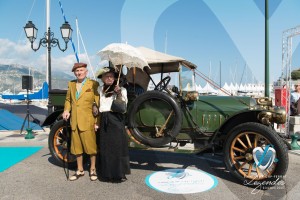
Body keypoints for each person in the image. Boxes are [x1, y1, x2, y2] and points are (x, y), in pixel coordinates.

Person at [62, 62, 100, 181]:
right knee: (77, 148)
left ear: (86, 72)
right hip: (75, 121)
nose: (79, 73)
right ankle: (80, 170)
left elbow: (98, 105)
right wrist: (66, 110)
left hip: (88, 121)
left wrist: (97, 122)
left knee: (91, 147)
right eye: (77, 71)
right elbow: (68, 99)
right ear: (74, 72)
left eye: (81, 70)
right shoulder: (71, 84)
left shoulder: (93, 84)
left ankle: (93, 169)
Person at [96, 64, 131, 183]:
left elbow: (123, 107)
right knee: (105, 147)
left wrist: (119, 93)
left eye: (111, 76)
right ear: (103, 78)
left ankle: (117, 174)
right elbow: (97, 103)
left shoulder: (122, 89)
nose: (109, 78)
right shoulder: (100, 89)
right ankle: (106, 174)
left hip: (116, 119)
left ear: (115, 78)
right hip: (104, 118)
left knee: (116, 148)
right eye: (107, 76)